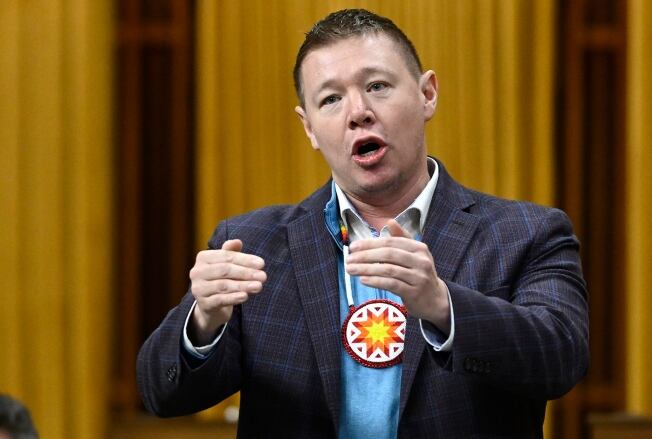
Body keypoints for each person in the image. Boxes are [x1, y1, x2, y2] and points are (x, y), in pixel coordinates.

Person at [137, 8, 588, 438]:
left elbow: (561, 357)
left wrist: (440, 304)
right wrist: (203, 321)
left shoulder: (526, 233)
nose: (357, 112)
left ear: (427, 93)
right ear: (309, 127)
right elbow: (162, 393)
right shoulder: (252, 244)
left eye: (377, 86)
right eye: (330, 99)